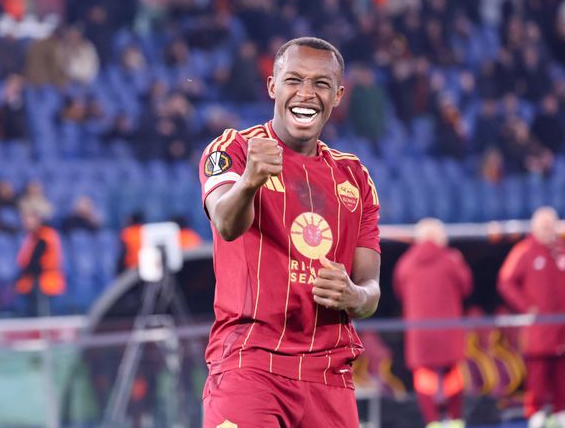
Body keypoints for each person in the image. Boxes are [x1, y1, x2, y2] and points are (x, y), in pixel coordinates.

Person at [199, 37, 381, 427]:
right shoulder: (235, 149)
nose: (306, 93)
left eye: (321, 84)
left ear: (338, 96)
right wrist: (249, 181)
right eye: (294, 80)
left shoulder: (355, 178)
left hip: (329, 376)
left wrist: (354, 294)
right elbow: (227, 224)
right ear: (272, 87)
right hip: (250, 363)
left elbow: (371, 292)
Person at [498, 207, 565, 428]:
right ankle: (535, 413)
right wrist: (526, 307)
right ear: (534, 227)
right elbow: (505, 281)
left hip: (564, 325)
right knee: (538, 372)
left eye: (551, 224)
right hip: (539, 327)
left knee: (563, 370)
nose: (547, 229)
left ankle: (561, 411)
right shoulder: (524, 251)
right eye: (543, 225)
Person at [393, 218, 472, 428]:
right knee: (453, 372)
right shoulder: (451, 259)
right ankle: (455, 420)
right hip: (448, 330)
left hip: (419, 332)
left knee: (423, 375)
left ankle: (433, 422)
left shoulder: (406, 262)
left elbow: (399, 291)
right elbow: (466, 287)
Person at [15, 205, 65, 317]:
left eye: (29, 218)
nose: (25, 222)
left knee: (44, 318)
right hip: (38, 283)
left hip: (45, 284)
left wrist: (22, 276)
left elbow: (35, 262)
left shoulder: (44, 236)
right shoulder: (33, 236)